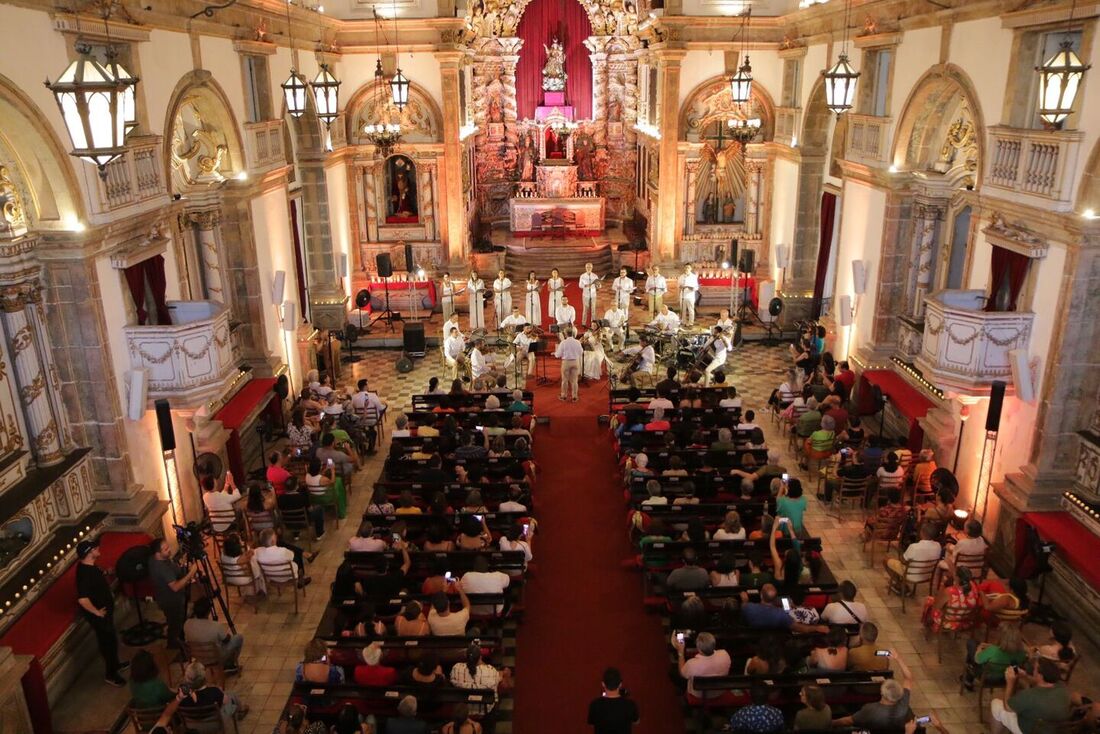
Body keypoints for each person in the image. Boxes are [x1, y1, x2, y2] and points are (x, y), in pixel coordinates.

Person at [75, 538, 129, 686]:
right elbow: (82, 599)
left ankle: (116, 664)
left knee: (112, 640)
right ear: (89, 553)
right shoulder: (85, 574)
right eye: (94, 548)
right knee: (108, 643)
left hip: (105, 612)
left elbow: (97, 576)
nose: (98, 548)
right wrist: (97, 612)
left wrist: (106, 572)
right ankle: (111, 674)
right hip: (100, 617)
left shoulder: (89, 566)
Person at [833, 648, 914, 729]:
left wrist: (831, 723)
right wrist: (898, 658)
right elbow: (908, 678)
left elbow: (848, 721)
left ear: (882, 693)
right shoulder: (903, 706)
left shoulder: (870, 710)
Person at [991, 658, 1072, 734]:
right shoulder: (1062, 686)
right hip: (1055, 730)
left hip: (1030, 731)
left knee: (996, 704)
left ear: (1040, 675)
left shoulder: (1030, 695)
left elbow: (1008, 707)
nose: (1032, 670)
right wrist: (1025, 676)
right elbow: (1042, 683)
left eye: (1035, 669)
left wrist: (1010, 682)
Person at [148, 537, 199, 648]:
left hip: (168, 597)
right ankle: (174, 645)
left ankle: (178, 640)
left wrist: (182, 565)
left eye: (168, 547)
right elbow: (175, 587)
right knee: (175, 623)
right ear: (157, 554)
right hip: (171, 601)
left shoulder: (158, 559)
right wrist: (191, 574)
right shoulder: (161, 568)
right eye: (166, 549)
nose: (169, 550)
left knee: (175, 621)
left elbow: (174, 570)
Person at [184, 596, 244, 672]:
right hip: (215, 657)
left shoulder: (187, 624)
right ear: (209, 611)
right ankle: (229, 664)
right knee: (238, 638)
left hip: (197, 656)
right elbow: (226, 640)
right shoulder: (215, 626)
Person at [961, 625, 1028, 691]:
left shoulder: (993, 650)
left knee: (971, 643)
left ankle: (968, 678)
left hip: (987, 678)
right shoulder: (1022, 654)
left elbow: (977, 660)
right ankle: (968, 678)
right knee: (975, 645)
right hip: (1005, 679)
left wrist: (979, 649)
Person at [177, 659, 248, 721]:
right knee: (231, 696)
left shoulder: (182, 694)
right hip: (214, 724)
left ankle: (239, 709)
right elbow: (225, 701)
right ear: (204, 679)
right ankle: (240, 710)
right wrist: (221, 693)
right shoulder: (214, 691)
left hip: (192, 725)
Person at [740, 585, 829, 633]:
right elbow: (799, 628)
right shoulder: (781, 614)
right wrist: (816, 628)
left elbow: (743, 606)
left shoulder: (748, 607)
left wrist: (745, 600)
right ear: (775, 598)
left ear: (761, 595)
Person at [449, 643, 508, 712]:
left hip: (461, 709)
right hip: (484, 710)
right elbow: (499, 678)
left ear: (465, 655)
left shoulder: (456, 668)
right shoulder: (491, 671)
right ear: (480, 657)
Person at [674, 631, 731, 700]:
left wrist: (681, 652)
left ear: (699, 649)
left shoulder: (692, 664)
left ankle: (683, 691)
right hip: (719, 691)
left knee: (673, 671)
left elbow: (682, 674)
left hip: (699, 695)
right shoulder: (725, 654)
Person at [885, 522, 943, 586]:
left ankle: (899, 584)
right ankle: (900, 584)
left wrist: (901, 554)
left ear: (922, 533)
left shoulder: (914, 547)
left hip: (911, 575)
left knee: (886, 560)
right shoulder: (938, 546)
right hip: (927, 575)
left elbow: (903, 561)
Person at [587, 667, 639, 733]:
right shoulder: (630, 705)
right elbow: (636, 721)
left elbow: (591, 723)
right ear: (620, 684)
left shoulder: (595, 705)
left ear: (603, 684)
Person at [554, 326, 583, 402]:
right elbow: (581, 352)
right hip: (575, 362)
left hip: (566, 362)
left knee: (565, 380)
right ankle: (574, 397)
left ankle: (564, 396)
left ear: (565, 334)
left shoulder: (563, 342)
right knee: (574, 380)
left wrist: (555, 354)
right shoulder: (577, 342)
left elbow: (558, 354)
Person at [579, 262, 600, 326]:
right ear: (585, 268)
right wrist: (585, 285)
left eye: (590, 267)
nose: (588, 268)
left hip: (593, 294)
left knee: (593, 309)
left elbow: (599, 286)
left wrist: (598, 285)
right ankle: (583, 323)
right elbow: (580, 285)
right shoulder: (582, 276)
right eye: (587, 267)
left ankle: (593, 323)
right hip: (586, 295)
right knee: (585, 309)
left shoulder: (595, 276)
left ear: (592, 268)